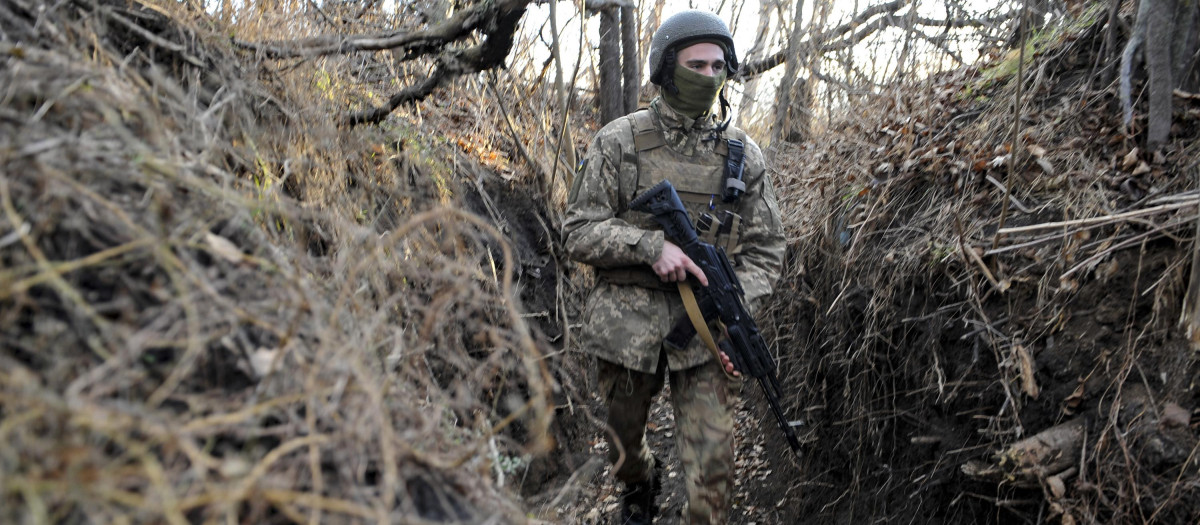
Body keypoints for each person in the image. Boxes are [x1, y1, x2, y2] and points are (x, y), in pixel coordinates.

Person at [562, 9, 786, 524]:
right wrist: (650, 247)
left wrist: (735, 307)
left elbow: (768, 249)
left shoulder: (743, 157)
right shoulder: (618, 141)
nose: (708, 77)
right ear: (665, 69)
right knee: (622, 442)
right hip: (626, 320)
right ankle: (640, 481)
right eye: (695, 66)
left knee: (713, 470)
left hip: (706, 326)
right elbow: (577, 230)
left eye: (717, 67)